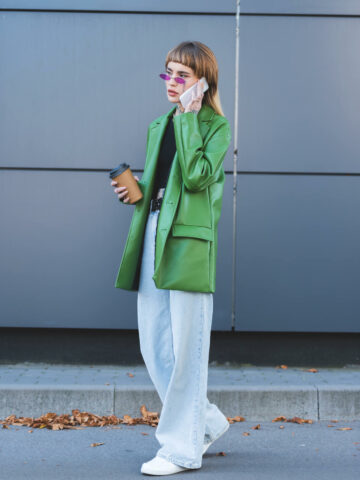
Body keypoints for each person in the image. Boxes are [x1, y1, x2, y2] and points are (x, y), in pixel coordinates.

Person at [110, 41, 232, 475]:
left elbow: (198, 176)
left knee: (186, 346)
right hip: (154, 230)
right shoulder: (158, 124)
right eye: (168, 73)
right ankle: (208, 420)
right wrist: (136, 191)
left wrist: (188, 118)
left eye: (182, 75)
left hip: (188, 242)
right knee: (155, 344)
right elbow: (166, 182)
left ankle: (181, 449)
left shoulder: (215, 126)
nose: (172, 82)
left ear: (202, 81)